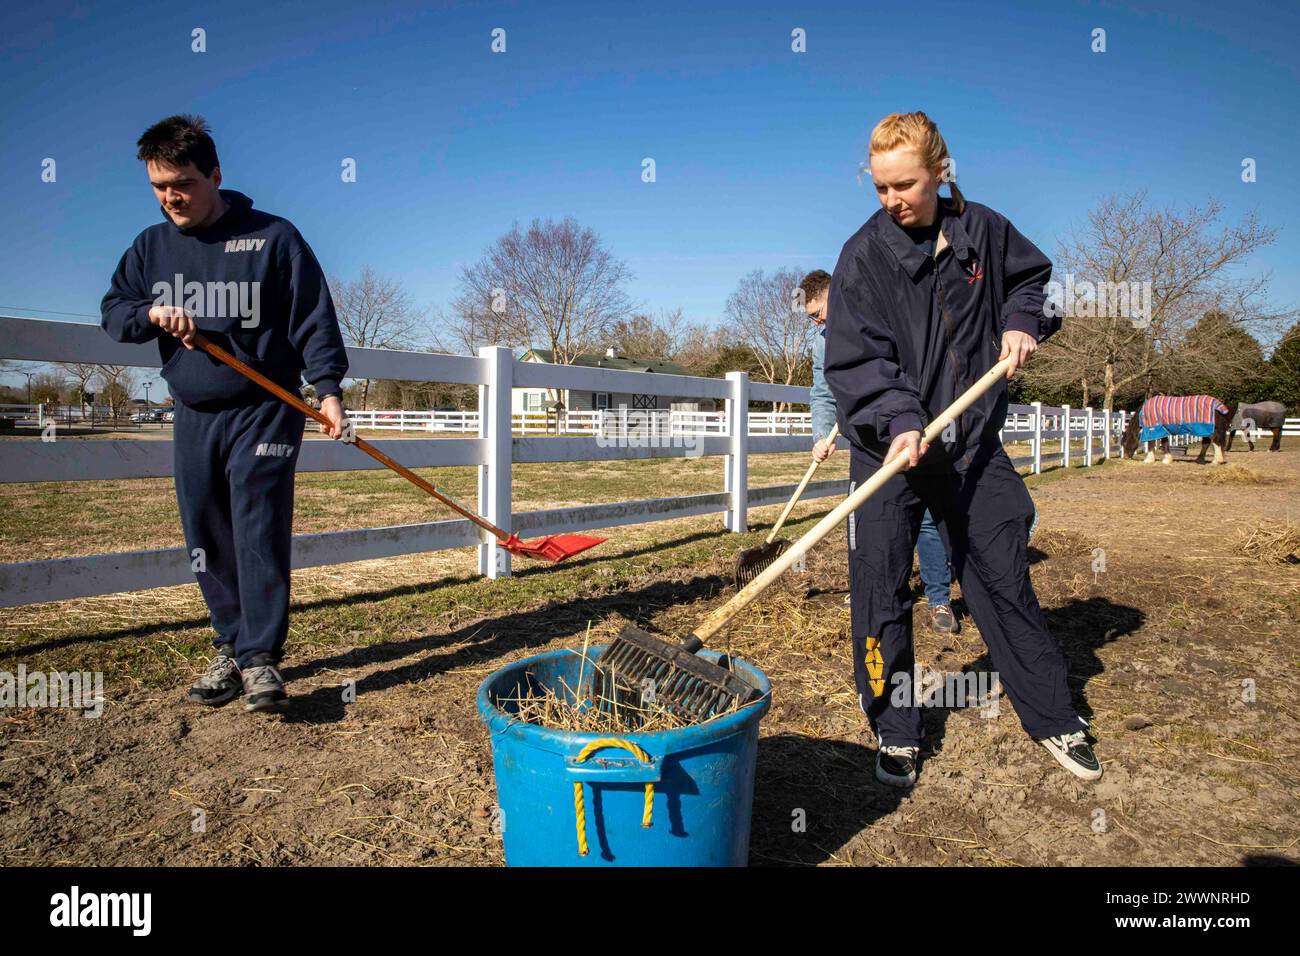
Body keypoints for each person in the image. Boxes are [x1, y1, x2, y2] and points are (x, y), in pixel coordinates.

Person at [824, 111, 1101, 787]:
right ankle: (896, 728)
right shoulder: (863, 257)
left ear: (939, 170)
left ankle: (1054, 716)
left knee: (1003, 574)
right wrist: (898, 419)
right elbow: (857, 359)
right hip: (889, 450)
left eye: (908, 184)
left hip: (971, 441)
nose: (895, 200)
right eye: (882, 187)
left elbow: (1030, 280)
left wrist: (1019, 323)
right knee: (881, 589)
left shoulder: (983, 230)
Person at [101, 114, 349, 714]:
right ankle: (230, 647)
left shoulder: (272, 237)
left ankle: (261, 658)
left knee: (256, 524)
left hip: (267, 407)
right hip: (193, 410)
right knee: (207, 536)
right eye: (159, 186)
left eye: (182, 182)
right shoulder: (150, 246)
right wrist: (152, 314)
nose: (171, 197)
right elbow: (114, 313)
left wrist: (329, 389)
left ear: (214, 173)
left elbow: (312, 317)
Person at [803, 270, 958, 633]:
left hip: (911, 432)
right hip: (867, 445)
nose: (819, 320)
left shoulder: (879, 315)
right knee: (865, 520)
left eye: (821, 311)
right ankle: (869, 590)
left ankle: (939, 599)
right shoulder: (821, 344)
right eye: (811, 316)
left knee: (926, 520)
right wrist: (823, 434)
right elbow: (823, 393)